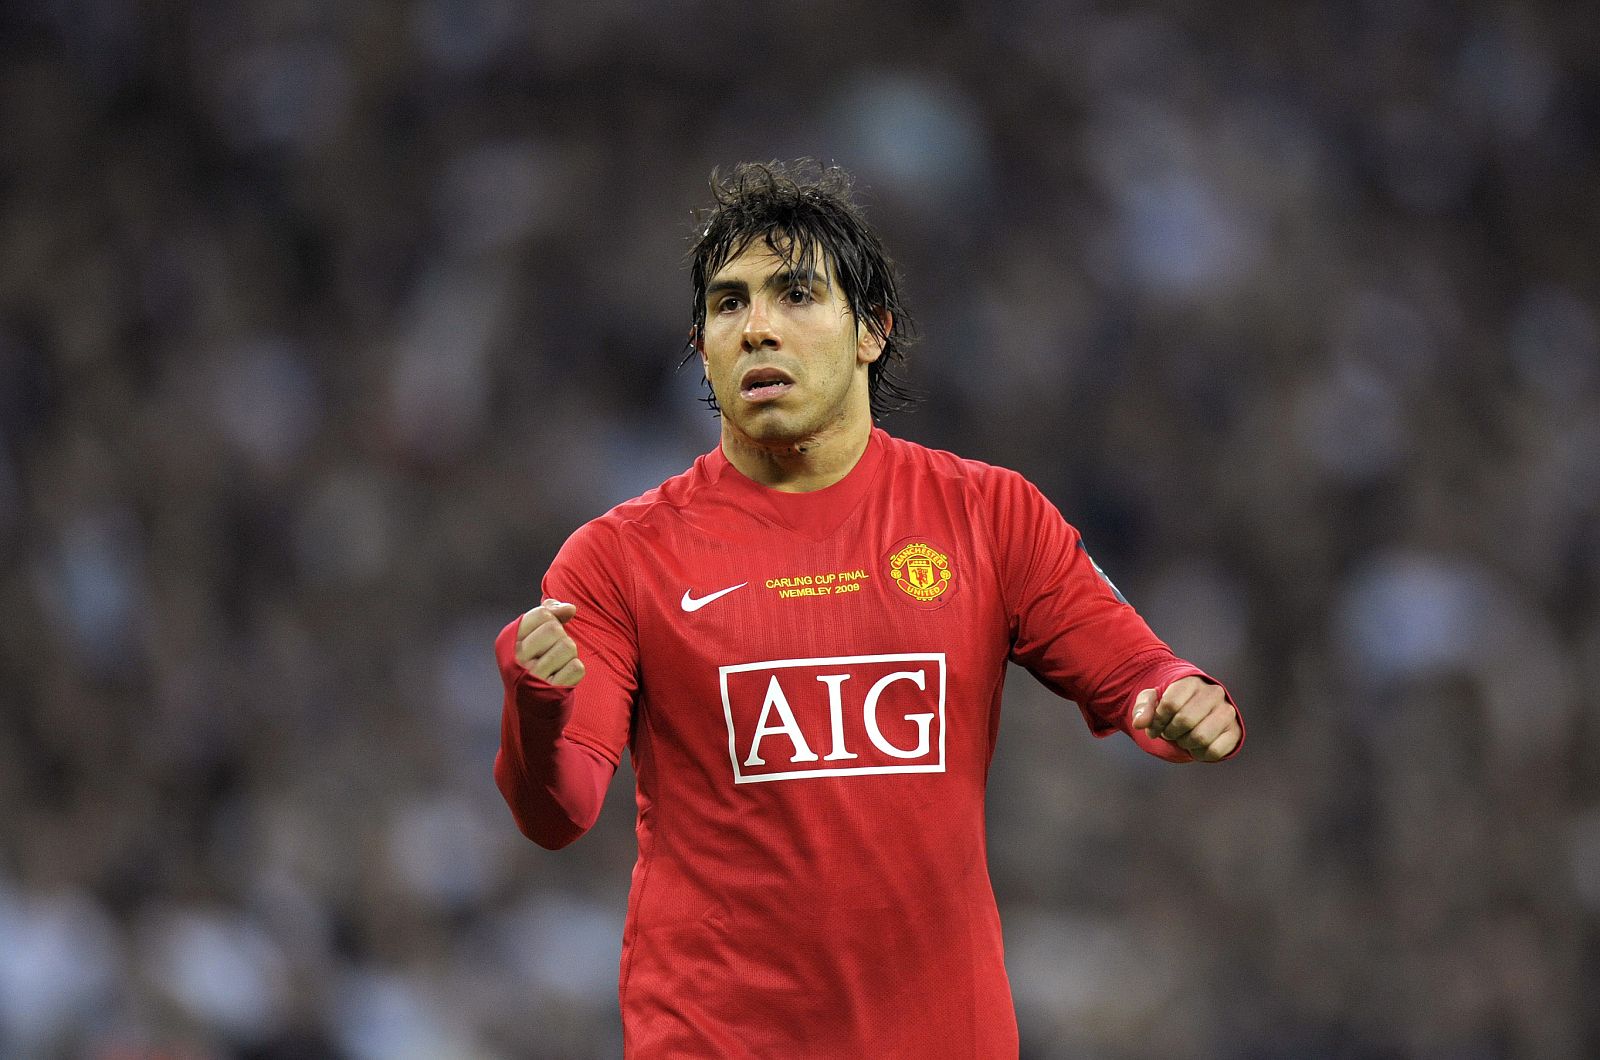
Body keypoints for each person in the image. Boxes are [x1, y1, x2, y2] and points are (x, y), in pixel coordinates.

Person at [493, 160, 1244, 1057]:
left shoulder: (987, 516)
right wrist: (536, 705)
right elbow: (558, 810)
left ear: (871, 332)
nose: (757, 326)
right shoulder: (620, 558)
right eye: (728, 305)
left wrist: (1181, 696)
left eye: (795, 293)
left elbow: (1137, 675)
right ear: (702, 348)